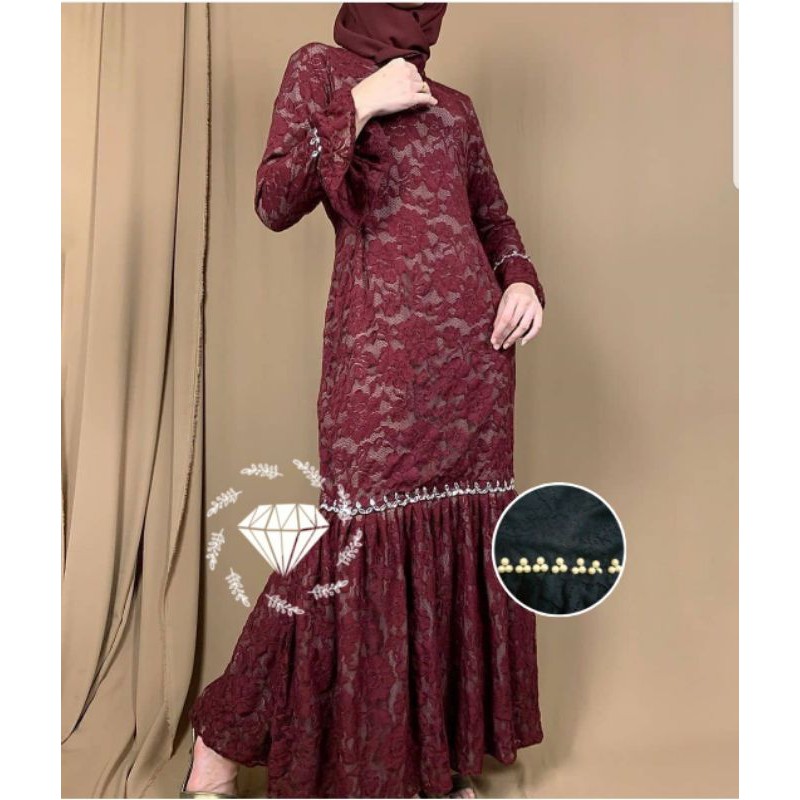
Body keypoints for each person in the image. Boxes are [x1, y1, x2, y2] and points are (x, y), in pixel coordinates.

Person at [181, 3, 545, 798]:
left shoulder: (456, 107)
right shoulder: (319, 67)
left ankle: (430, 762)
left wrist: (520, 280)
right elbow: (274, 199)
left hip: (474, 365)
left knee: (447, 550)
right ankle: (221, 738)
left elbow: (492, 216)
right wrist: (360, 104)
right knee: (348, 545)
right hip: (379, 357)